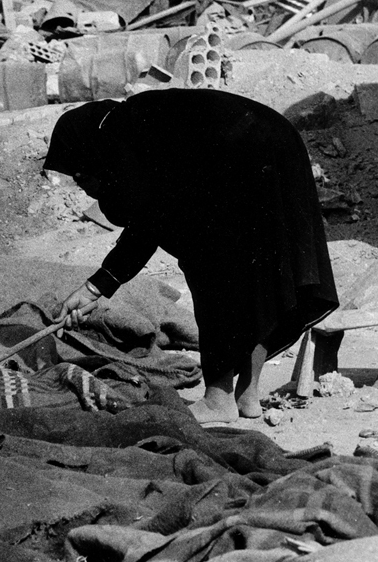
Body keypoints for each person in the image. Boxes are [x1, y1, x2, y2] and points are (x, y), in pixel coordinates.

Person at [45, 89, 339, 425]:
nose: (84, 188)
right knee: (262, 277)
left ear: (90, 152)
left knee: (212, 271)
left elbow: (146, 227)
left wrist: (95, 289)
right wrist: (94, 290)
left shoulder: (128, 139)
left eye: (81, 176)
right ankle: (247, 395)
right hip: (278, 144)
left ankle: (218, 400)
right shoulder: (136, 123)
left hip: (246, 154)